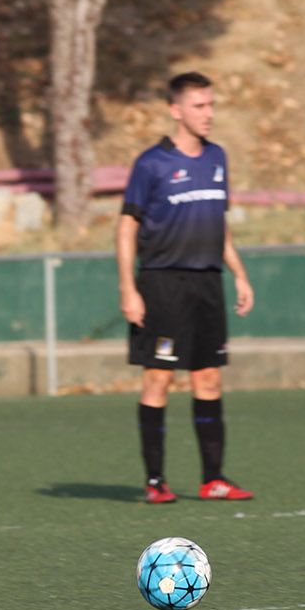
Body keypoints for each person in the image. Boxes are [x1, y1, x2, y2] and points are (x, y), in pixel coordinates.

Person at [116, 71, 256, 505]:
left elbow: (220, 225)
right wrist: (128, 287)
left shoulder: (217, 158)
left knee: (209, 378)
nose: (209, 114)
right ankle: (155, 480)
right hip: (162, 284)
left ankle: (213, 478)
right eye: (199, 106)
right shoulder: (151, 163)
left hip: (207, 283)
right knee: (158, 379)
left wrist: (239, 272)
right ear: (176, 111)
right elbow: (126, 228)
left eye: (212, 105)